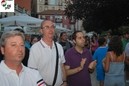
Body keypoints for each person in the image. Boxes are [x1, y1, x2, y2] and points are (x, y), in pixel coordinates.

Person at [28, 20, 67, 86]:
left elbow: (62, 66)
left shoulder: (59, 47)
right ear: (41, 31)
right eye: (47, 27)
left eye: (52, 27)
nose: (50, 29)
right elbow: (32, 72)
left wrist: (65, 81)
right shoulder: (35, 48)